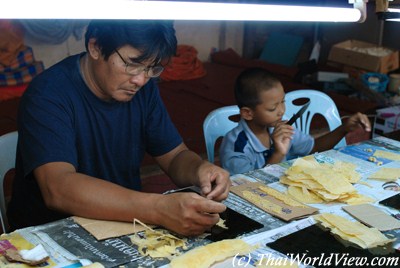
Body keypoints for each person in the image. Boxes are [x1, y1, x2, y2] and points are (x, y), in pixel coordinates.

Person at [7, 20, 230, 236]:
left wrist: (199, 170)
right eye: (132, 64)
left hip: (122, 221)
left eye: (152, 68)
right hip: (52, 234)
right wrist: (158, 208)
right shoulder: (48, 94)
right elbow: (59, 189)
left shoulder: (144, 89)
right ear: (95, 47)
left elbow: (175, 156)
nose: (141, 80)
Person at [220, 67, 371, 175]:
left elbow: (312, 148)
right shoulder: (237, 146)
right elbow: (246, 187)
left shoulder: (278, 127)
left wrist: (343, 129)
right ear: (247, 113)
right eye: (273, 108)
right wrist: (279, 154)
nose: (281, 111)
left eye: (283, 101)